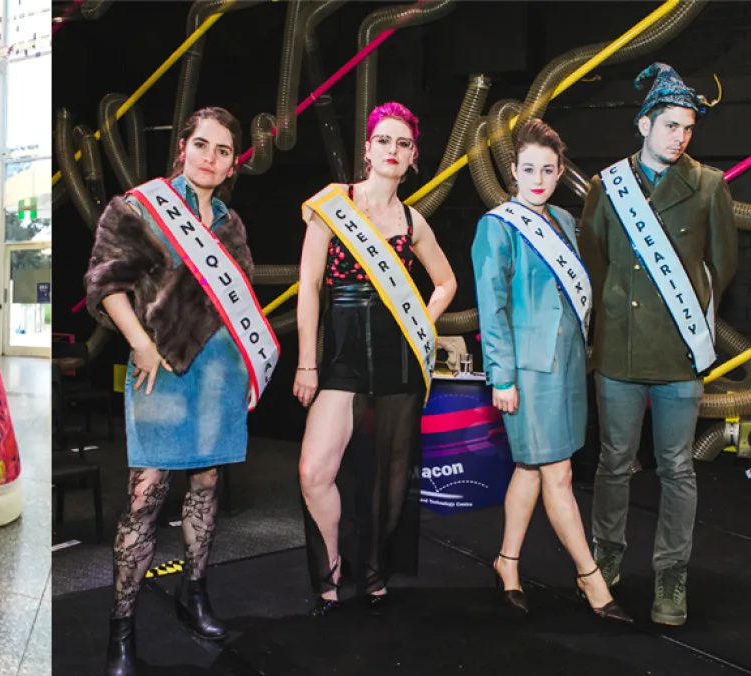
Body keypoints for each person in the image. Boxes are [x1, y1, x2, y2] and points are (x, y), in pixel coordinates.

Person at [84, 107, 276, 676]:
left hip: (219, 371)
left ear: (232, 163)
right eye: (201, 144)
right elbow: (105, 282)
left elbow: (240, 309)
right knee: (144, 495)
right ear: (182, 147)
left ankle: (194, 595)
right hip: (159, 368)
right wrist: (141, 344)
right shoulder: (140, 207)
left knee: (208, 486)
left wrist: (250, 368)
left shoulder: (231, 225)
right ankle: (121, 631)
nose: (210, 158)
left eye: (222, 150)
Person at [579, 62, 736, 626]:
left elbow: (722, 264)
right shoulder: (606, 185)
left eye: (688, 127)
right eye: (670, 125)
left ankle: (672, 574)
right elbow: (594, 261)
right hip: (618, 351)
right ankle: (607, 557)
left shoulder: (710, 186)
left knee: (677, 467)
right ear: (643, 124)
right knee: (614, 463)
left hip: (678, 356)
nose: (680, 136)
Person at [294, 102, 456, 615]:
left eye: (403, 144)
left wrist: (422, 323)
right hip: (341, 360)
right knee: (313, 471)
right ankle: (330, 572)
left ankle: (374, 574)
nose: (393, 151)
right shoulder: (332, 205)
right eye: (384, 140)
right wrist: (306, 362)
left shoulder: (412, 220)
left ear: (413, 157)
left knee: (391, 478)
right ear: (367, 149)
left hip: (400, 363)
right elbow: (310, 290)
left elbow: (447, 282)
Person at [472, 119, 632, 623]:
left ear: (560, 172)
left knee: (531, 467)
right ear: (513, 172)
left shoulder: (564, 219)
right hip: (526, 370)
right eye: (528, 169)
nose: (537, 178)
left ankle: (508, 563)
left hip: (566, 367)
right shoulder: (497, 226)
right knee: (557, 473)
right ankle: (592, 580)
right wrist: (501, 377)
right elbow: (491, 307)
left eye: (547, 169)